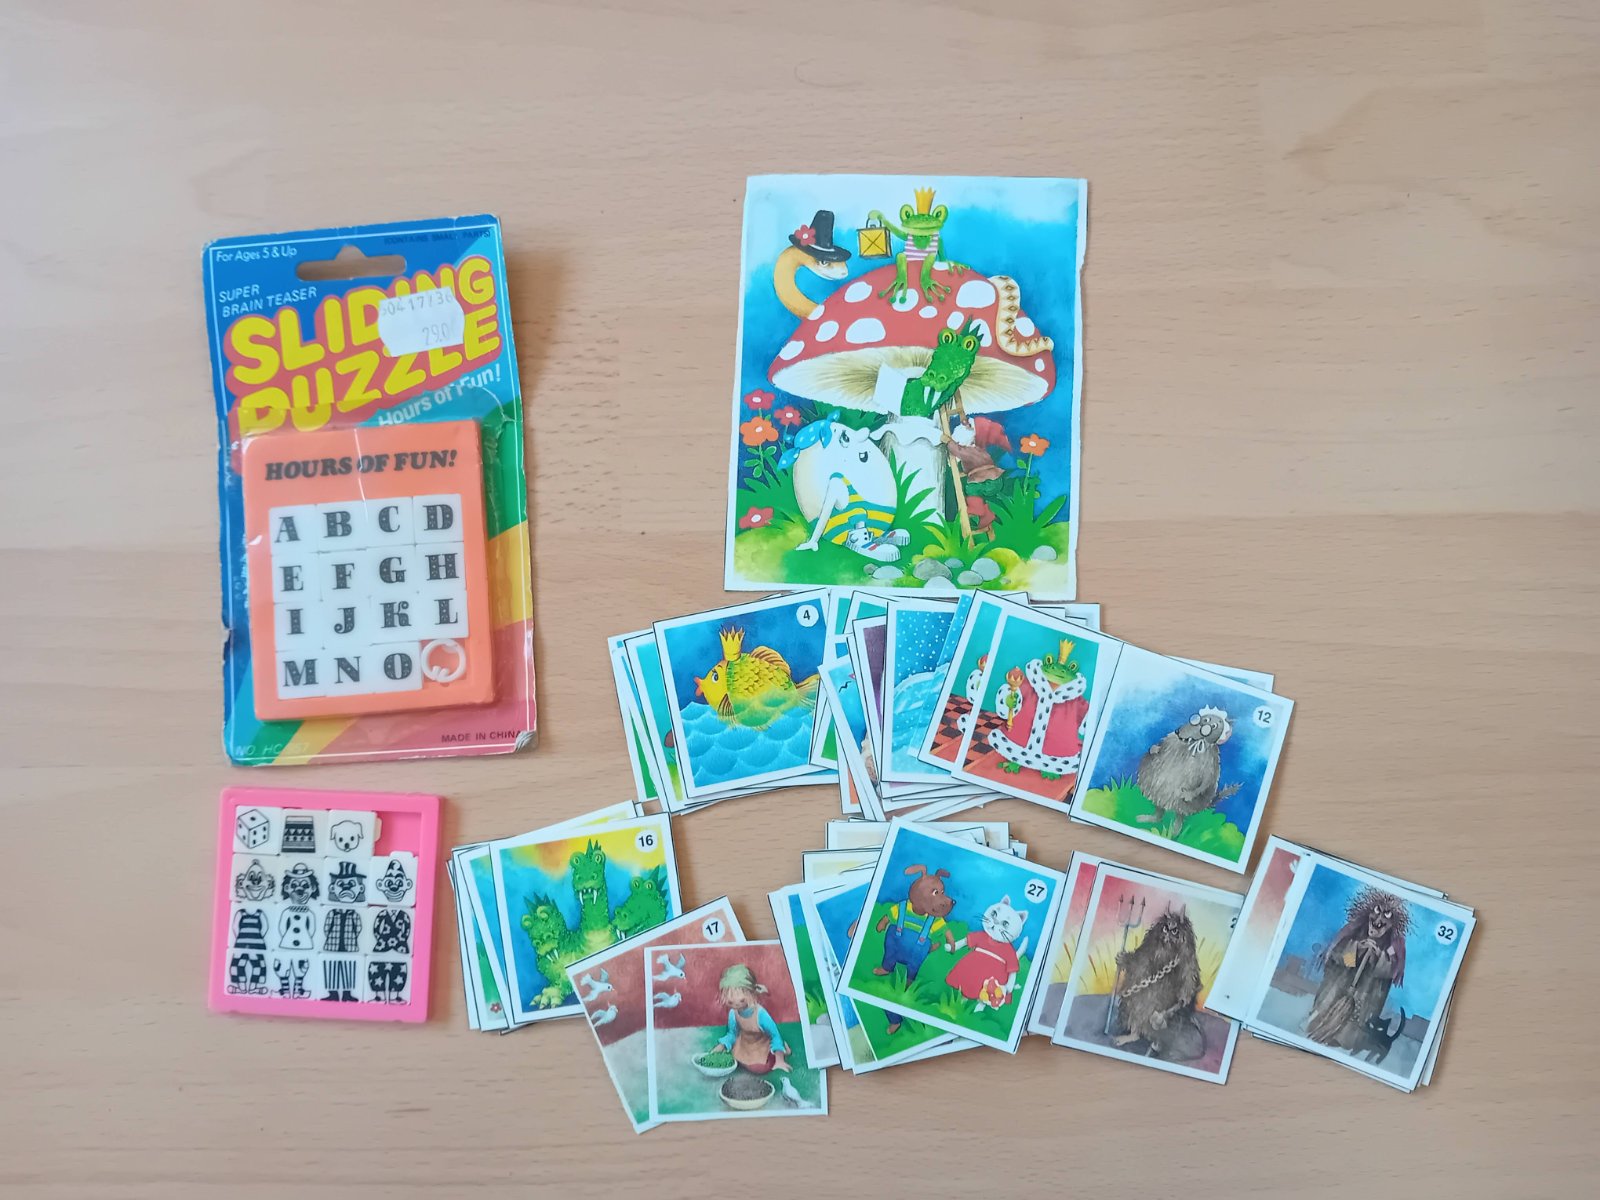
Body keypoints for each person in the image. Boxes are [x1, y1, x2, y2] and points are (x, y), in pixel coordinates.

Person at [712, 964, 791, 1074]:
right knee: (734, 1061)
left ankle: (781, 1052)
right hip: (744, 1047)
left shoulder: (760, 1014)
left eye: (741, 1001)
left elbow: (775, 1036)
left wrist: (780, 1061)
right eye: (730, 1002)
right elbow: (732, 1034)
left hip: (761, 1048)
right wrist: (721, 1046)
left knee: (758, 1068)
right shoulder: (733, 1013)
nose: (736, 1005)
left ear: (751, 994)